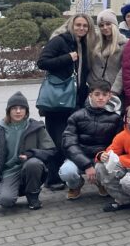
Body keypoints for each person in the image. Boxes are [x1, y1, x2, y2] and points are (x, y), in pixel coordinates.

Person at [37, 13, 95, 189]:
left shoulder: (84, 44)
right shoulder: (60, 40)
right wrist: (67, 58)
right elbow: (42, 62)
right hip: (58, 101)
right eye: (78, 25)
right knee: (56, 140)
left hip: (74, 100)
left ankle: (64, 174)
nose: (81, 28)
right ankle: (52, 178)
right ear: (71, 25)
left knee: (70, 139)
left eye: (85, 26)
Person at [0, 92, 56, 213]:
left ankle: (32, 196)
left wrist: (31, 154)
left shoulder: (35, 127)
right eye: (14, 108)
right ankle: (4, 188)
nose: (18, 111)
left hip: (29, 169)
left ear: (26, 111)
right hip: (8, 172)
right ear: (8, 111)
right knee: (5, 201)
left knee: (33, 164)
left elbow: (51, 151)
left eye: (21, 108)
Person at [59, 81, 122, 200]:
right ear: (90, 95)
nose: (101, 98)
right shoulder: (77, 116)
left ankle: (102, 183)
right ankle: (75, 185)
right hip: (80, 157)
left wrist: (102, 157)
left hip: (102, 158)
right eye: (97, 94)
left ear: (109, 96)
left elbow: (118, 143)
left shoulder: (116, 118)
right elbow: (69, 143)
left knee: (111, 167)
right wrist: (86, 165)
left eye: (104, 94)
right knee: (67, 171)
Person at [90, 9, 127, 97]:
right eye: (101, 25)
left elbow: (123, 70)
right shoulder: (94, 42)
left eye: (108, 24)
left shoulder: (124, 44)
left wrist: (114, 91)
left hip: (112, 91)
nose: (105, 28)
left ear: (114, 25)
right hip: (94, 90)